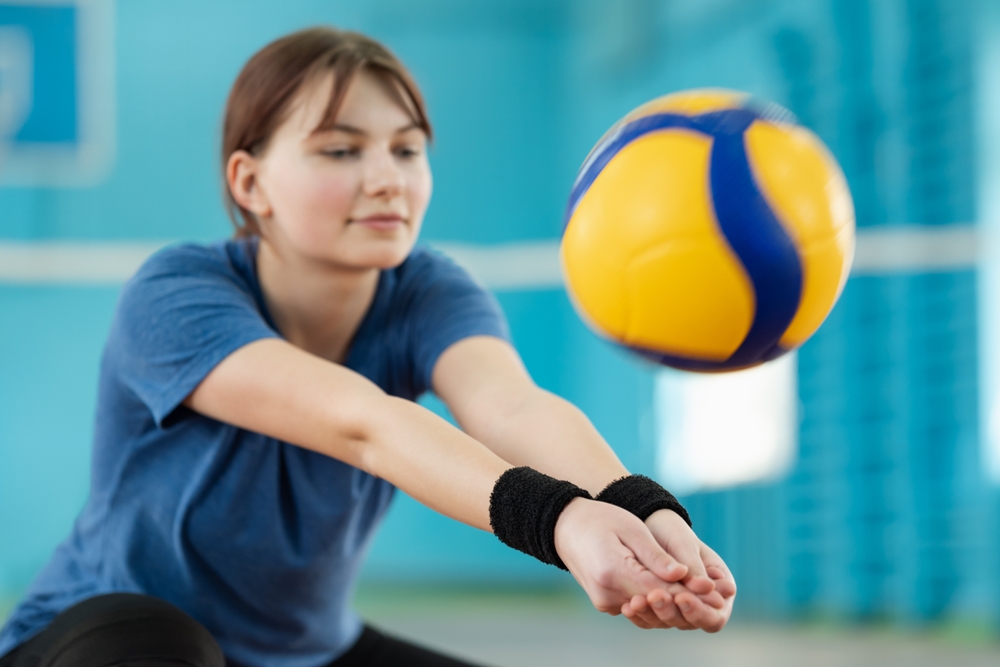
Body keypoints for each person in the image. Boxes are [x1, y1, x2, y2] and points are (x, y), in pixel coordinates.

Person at [0, 26, 736, 667]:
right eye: (341, 150)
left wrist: (644, 511)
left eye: (407, 149)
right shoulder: (174, 294)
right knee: (151, 642)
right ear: (250, 182)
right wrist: (561, 520)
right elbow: (365, 422)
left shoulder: (429, 290)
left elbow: (511, 404)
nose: (387, 179)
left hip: (306, 651)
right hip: (105, 638)